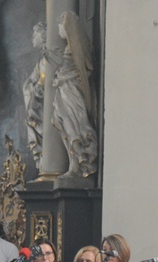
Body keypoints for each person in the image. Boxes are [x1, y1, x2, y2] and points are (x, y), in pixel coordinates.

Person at [52, 10, 98, 180]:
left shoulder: (74, 48)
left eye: (60, 26)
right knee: (64, 125)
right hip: (64, 91)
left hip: (72, 92)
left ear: (67, 27)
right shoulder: (68, 47)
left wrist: (59, 71)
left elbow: (81, 70)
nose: (58, 30)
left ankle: (77, 165)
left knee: (74, 128)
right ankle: (73, 164)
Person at [23, 21, 47, 169]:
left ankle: (47, 159)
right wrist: (31, 86)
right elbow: (29, 83)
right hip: (37, 107)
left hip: (44, 110)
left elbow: (43, 83)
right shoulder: (41, 63)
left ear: (44, 35)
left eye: (35, 33)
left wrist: (36, 86)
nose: (32, 37)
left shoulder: (48, 61)